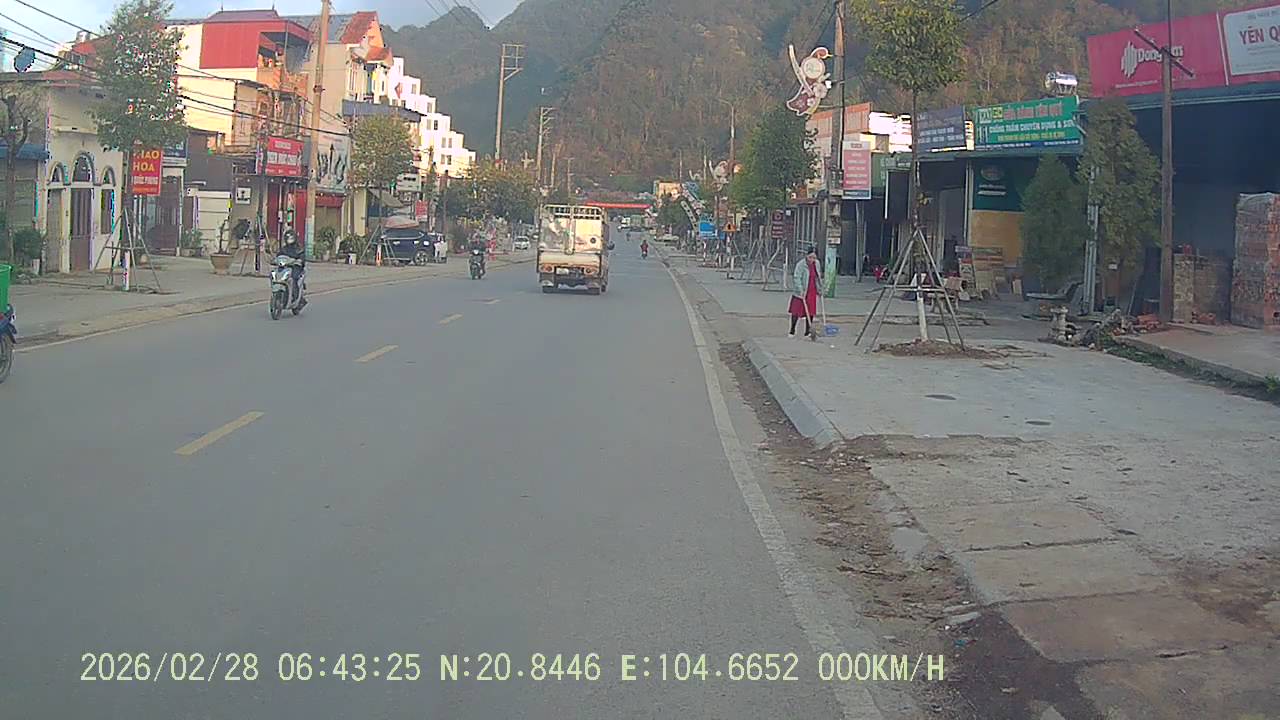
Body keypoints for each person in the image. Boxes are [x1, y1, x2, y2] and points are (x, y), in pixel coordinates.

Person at [789, 248, 820, 338]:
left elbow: (817, 277)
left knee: (810, 311)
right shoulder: (801, 265)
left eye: (814, 258)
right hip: (801, 291)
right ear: (806, 256)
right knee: (796, 311)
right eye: (810, 257)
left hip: (812, 290)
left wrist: (819, 288)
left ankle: (808, 331)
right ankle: (792, 330)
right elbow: (797, 277)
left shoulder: (816, 264)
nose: (812, 260)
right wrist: (800, 289)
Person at [279, 230, 306, 300]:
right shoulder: (284, 249)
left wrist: (299, 261)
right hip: (284, 267)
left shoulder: (299, 248)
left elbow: (302, 257)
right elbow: (279, 256)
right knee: (276, 274)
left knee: (293, 278)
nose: (289, 240)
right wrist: (274, 260)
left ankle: (296, 296)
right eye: (287, 238)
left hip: (295, 267)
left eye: (291, 238)